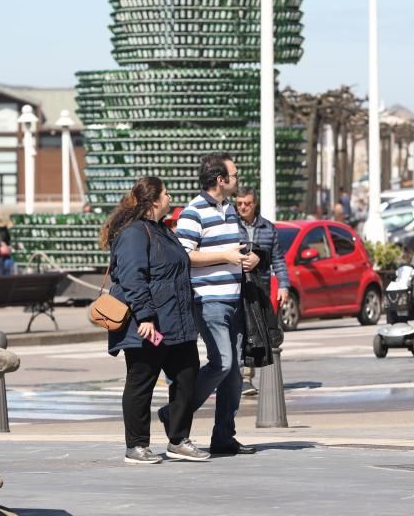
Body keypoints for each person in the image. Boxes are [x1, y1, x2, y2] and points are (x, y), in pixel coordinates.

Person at [101, 176, 208, 464]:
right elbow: (133, 277)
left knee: (187, 373)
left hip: (175, 322)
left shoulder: (161, 230)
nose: (171, 198)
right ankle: (136, 446)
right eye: (167, 193)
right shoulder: (135, 233)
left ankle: (178, 439)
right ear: (154, 201)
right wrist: (146, 316)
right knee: (141, 381)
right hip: (148, 325)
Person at [172, 152, 260, 456]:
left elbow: (232, 247)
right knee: (222, 362)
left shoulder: (230, 210)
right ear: (220, 180)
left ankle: (223, 436)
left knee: (234, 373)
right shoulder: (192, 212)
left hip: (235, 300)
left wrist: (250, 256)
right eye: (234, 176)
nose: (238, 180)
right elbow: (184, 255)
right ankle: (176, 412)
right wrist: (226, 257)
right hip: (208, 300)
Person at [235, 186, 290, 396]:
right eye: (239, 204)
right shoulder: (231, 226)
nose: (243, 208)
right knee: (242, 330)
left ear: (254, 203)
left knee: (257, 331)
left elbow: (278, 258)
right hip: (236, 287)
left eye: (247, 204)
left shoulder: (268, 228)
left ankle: (250, 376)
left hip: (260, 288)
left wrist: (283, 285)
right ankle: (242, 377)